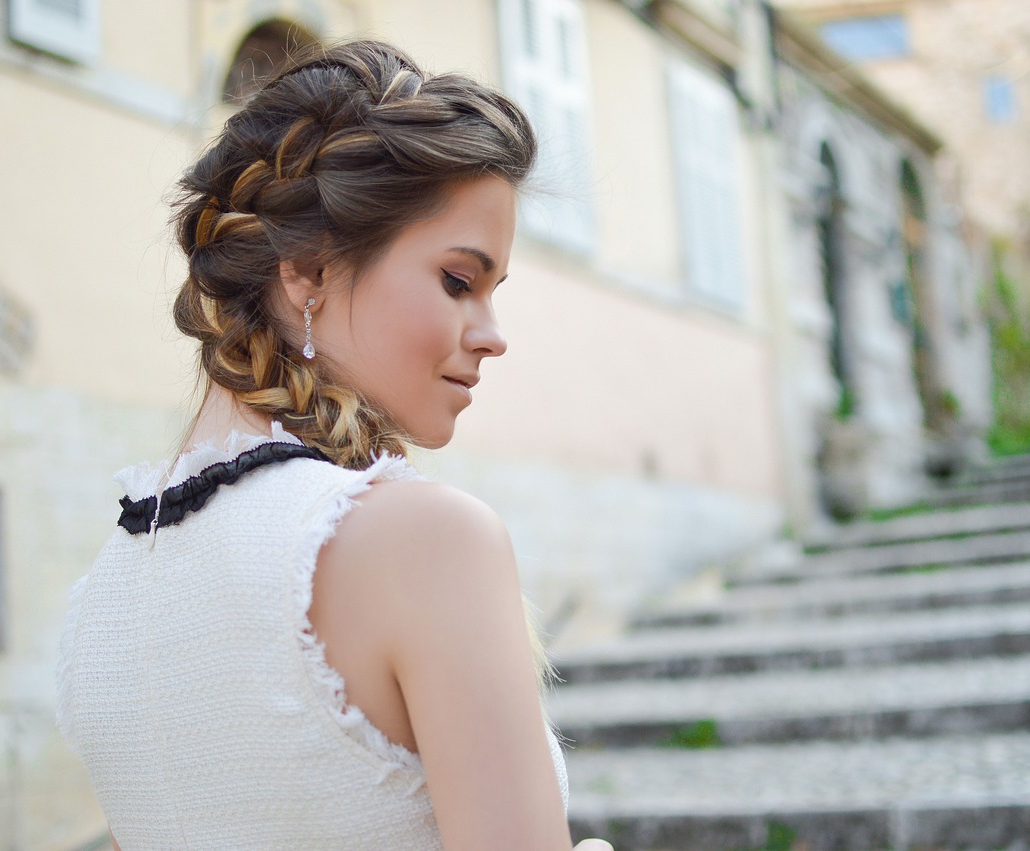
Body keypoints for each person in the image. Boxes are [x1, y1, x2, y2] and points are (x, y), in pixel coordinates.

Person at [55, 39, 612, 851]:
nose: (492, 336)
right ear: (308, 271)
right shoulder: (427, 542)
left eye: (493, 293)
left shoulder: (106, 592)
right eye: (459, 281)